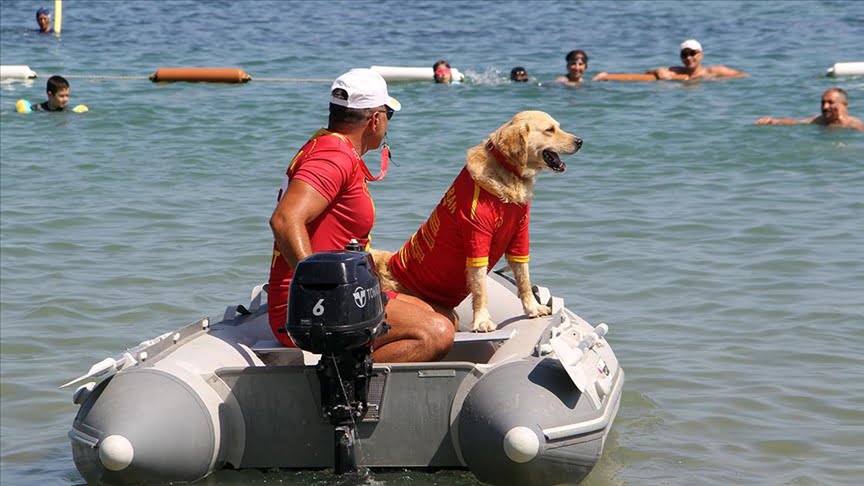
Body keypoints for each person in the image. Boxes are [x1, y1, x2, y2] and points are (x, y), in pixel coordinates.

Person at [268, 68, 455, 362]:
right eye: (388, 117)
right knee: (437, 332)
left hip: (341, 294)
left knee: (447, 316)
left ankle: (354, 356)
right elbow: (284, 219)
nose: (386, 126)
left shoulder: (331, 147)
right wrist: (320, 293)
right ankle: (341, 377)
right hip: (310, 308)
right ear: (375, 119)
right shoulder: (334, 156)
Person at [755, 88, 864, 131]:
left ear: (844, 105)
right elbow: (797, 122)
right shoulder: (819, 120)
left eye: (830, 103)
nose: (825, 107)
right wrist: (774, 121)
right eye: (823, 103)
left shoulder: (854, 124)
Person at [646, 39, 747, 80]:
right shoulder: (678, 71)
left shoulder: (714, 71)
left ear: (701, 55)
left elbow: (742, 75)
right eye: (684, 54)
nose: (688, 57)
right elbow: (648, 72)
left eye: (692, 53)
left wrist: (721, 79)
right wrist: (658, 71)